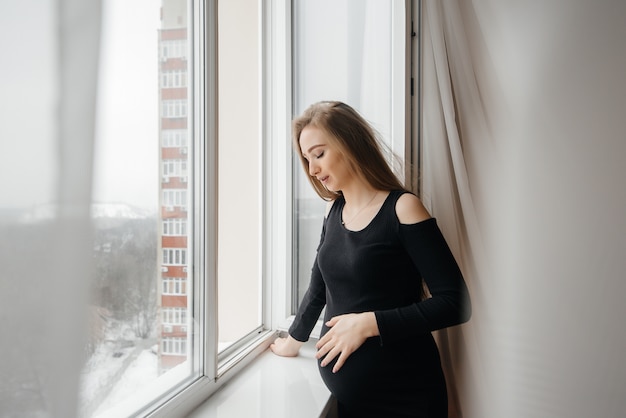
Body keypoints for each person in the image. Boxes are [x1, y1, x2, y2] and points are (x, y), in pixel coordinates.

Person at [270, 101, 471, 418]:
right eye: (307, 159)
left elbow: (455, 301)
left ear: (350, 143)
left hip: (406, 397)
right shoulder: (333, 211)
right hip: (353, 402)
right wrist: (294, 340)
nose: (312, 169)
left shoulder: (403, 209)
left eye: (319, 154)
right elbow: (320, 286)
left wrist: (368, 324)